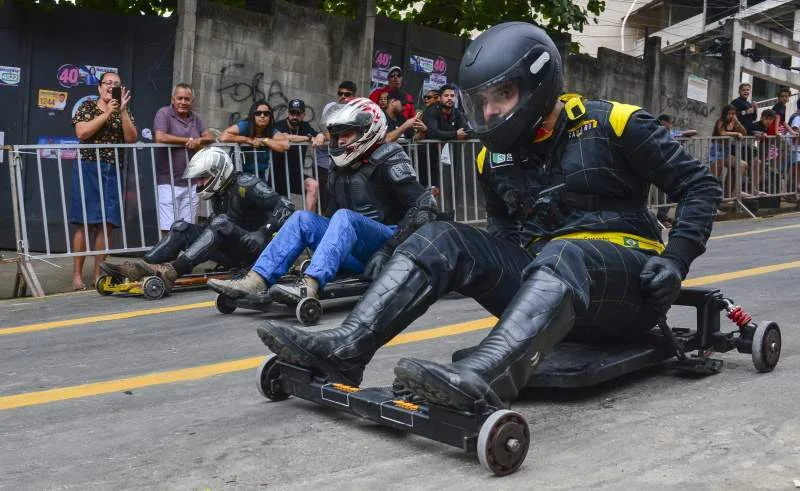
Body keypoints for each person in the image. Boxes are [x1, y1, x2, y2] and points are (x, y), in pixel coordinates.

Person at [256, 22, 722, 411]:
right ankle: (346, 348)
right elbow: (503, 240)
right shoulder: (491, 160)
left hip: (630, 289)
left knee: (563, 252)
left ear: (538, 84)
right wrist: (466, 268)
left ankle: (482, 377)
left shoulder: (616, 123)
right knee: (440, 236)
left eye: (503, 95)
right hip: (552, 285)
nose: (490, 110)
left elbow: (700, 185)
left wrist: (677, 259)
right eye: (482, 100)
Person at [208, 97, 431, 306]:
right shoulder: (337, 168)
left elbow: (424, 207)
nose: (340, 140)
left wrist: (388, 250)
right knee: (302, 217)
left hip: (386, 249)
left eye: (347, 134)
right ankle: (256, 280)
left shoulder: (389, 157)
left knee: (344, 217)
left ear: (366, 131)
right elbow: (331, 220)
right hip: (355, 253)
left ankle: (310, 285)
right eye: (337, 135)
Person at [101, 146, 295, 290]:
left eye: (203, 178)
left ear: (218, 172)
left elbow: (286, 205)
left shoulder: (247, 184)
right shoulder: (219, 192)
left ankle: (173, 270)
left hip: (254, 250)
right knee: (180, 227)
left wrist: (263, 232)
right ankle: (142, 266)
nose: (199, 183)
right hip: (231, 248)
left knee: (220, 223)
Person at [70, 71, 137, 291]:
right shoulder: (87, 107)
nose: (111, 87)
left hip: (112, 170)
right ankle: (77, 275)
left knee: (107, 224)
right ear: (99, 87)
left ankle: (98, 275)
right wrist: (107, 112)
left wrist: (122, 112)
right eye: (108, 83)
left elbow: (131, 138)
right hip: (88, 169)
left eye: (116, 84)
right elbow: (83, 133)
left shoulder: (123, 111)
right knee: (84, 222)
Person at [153, 83, 215, 234]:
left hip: (191, 181)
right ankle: (167, 256)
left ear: (192, 101)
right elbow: (160, 137)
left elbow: (210, 136)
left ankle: (180, 258)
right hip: (168, 179)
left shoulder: (196, 118)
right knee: (168, 226)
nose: (183, 102)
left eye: (187, 99)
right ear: (173, 99)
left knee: (186, 226)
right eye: (180, 98)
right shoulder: (164, 113)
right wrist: (189, 140)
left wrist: (199, 141)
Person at [273, 99, 324, 212]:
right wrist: (309, 138)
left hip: (295, 176)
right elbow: (284, 137)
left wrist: (320, 136)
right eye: (292, 113)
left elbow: (318, 134)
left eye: (298, 114)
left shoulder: (305, 126)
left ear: (303, 115)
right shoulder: (279, 125)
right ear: (288, 113)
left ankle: (308, 221)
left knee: (313, 186)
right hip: (278, 176)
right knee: (281, 209)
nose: (295, 117)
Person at [219, 100, 290, 179]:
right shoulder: (245, 125)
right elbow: (223, 137)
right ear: (253, 115)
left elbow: (285, 145)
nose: (262, 116)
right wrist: (248, 140)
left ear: (270, 116)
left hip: (259, 176)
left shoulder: (271, 130)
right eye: (258, 113)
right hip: (238, 174)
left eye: (266, 114)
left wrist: (264, 140)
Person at [317, 82, 358, 212]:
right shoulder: (332, 107)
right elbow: (325, 129)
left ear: (354, 95)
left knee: (344, 197)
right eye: (340, 93)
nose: (343, 97)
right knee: (326, 198)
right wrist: (323, 135)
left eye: (347, 94)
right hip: (329, 161)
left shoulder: (356, 110)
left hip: (348, 161)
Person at [710, 105, 749, 198]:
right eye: (729, 113)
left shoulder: (734, 122)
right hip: (717, 150)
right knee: (714, 177)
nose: (731, 115)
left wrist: (737, 122)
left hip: (726, 151)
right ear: (725, 114)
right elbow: (722, 133)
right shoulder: (720, 121)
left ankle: (733, 193)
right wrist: (736, 133)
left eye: (733, 114)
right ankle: (709, 199)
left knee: (743, 165)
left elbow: (744, 132)